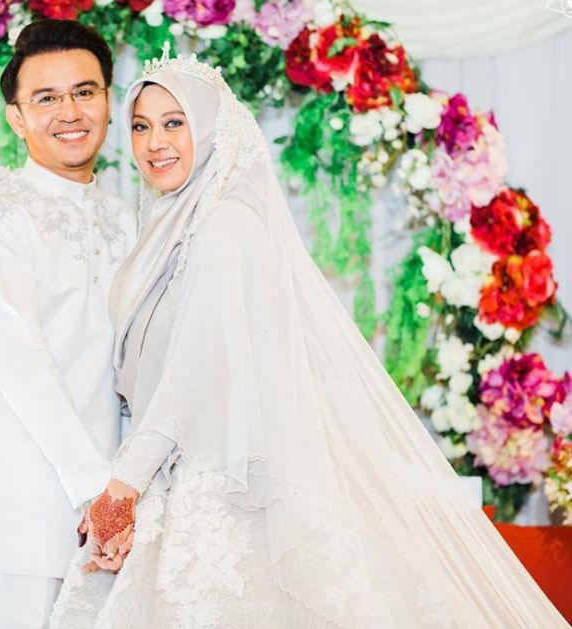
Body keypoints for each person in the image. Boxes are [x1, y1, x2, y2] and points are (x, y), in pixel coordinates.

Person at [49, 49, 569, 628]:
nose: (155, 143)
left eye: (175, 123)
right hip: (180, 472)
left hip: (225, 486)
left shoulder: (225, 224)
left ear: (212, 129)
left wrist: (122, 487)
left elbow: (192, 372)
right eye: (141, 127)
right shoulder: (173, 225)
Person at [0, 20, 136, 628]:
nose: (69, 112)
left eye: (85, 92)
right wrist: (97, 490)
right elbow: (19, 358)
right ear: (16, 118)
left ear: (107, 101)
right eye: (46, 98)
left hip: (109, 515)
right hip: (11, 515)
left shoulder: (125, 220)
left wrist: (128, 489)